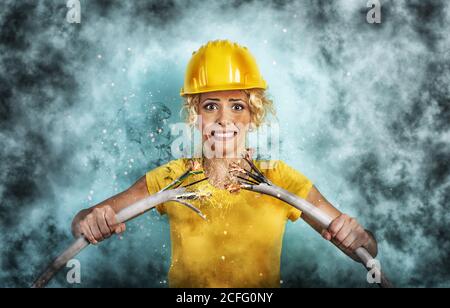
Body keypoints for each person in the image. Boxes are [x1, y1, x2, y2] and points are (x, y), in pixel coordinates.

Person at [71, 40, 377, 287]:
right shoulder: (172, 178)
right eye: (210, 106)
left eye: (237, 106)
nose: (223, 119)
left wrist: (360, 238)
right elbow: (82, 222)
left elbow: (365, 251)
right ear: (196, 115)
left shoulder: (282, 181)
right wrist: (89, 220)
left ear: (253, 115)